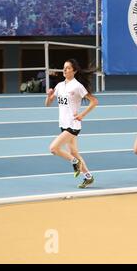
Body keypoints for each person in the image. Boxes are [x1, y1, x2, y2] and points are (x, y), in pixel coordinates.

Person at [45, 59, 98, 188]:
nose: (65, 70)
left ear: (74, 71)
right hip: (63, 125)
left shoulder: (77, 86)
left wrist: (82, 115)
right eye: (64, 68)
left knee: (53, 148)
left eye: (68, 68)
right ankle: (88, 176)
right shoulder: (59, 86)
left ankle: (75, 162)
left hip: (73, 125)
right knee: (73, 151)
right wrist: (49, 95)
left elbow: (94, 101)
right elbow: (47, 104)